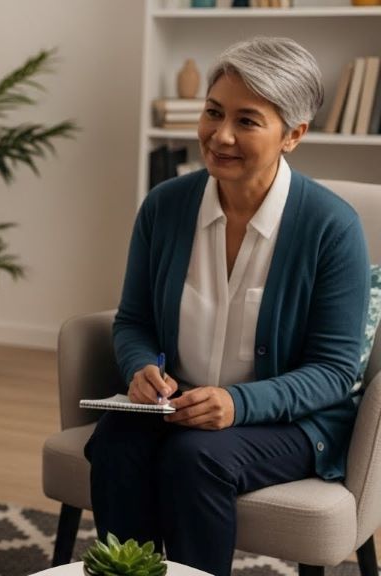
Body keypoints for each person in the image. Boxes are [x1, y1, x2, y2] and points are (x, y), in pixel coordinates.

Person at [85, 37, 371, 576]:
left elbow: (334, 373)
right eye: (214, 112)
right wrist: (141, 367)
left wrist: (239, 404)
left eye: (247, 120)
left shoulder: (332, 228)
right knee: (116, 444)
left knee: (196, 458)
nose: (221, 136)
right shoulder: (164, 207)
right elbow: (134, 321)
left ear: (294, 135)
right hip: (181, 403)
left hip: (292, 422)